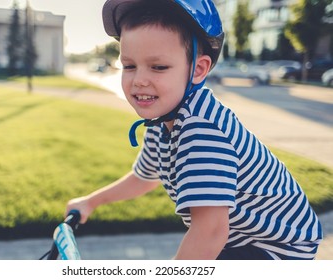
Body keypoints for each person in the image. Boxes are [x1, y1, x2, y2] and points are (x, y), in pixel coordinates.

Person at [66, 0, 323, 260]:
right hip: (239, 239)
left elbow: (210, 232)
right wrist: (91, 201)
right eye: (129, 65)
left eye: (159, 67)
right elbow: (144, 178)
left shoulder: (202, 131)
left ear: (198, 70)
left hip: (277, 247)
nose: (139, 80)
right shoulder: (161, 121)